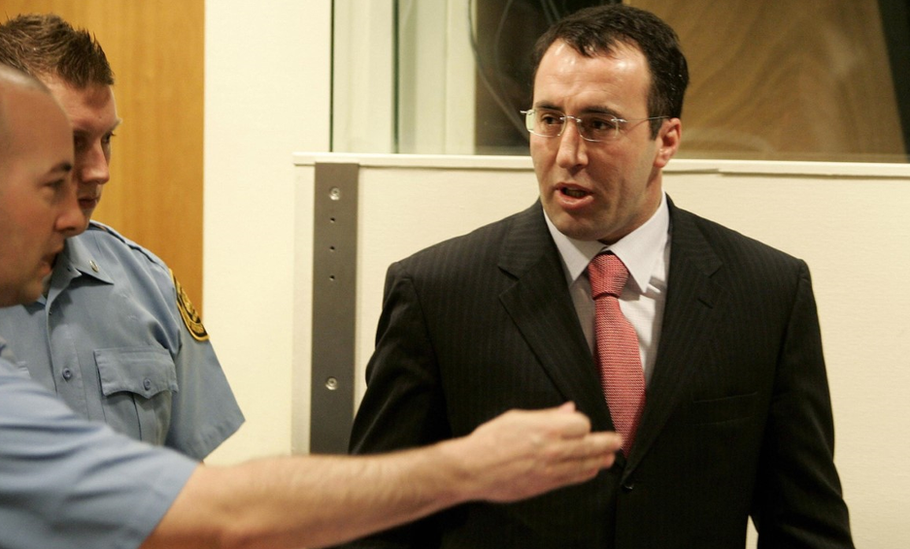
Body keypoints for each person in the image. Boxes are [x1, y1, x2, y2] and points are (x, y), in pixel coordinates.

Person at [0, 53, 621, 549]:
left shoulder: (132, 284)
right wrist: (470, 466)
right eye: (52, 182)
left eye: (103, 143)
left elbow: (191, 483)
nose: (75, 209)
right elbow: (221, 512)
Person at [340, 5, 855, 549]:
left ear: (666, 140)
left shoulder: (767, 292)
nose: (567, 154)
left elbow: (806, 527)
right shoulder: (437, 293)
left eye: (599, 124)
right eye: (549, 119)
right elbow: (377, 522)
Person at [0, 14, 242, 459]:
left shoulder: (148, 284)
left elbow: (188, 477)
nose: (100, 171)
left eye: (107, 139)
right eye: (75, 141)